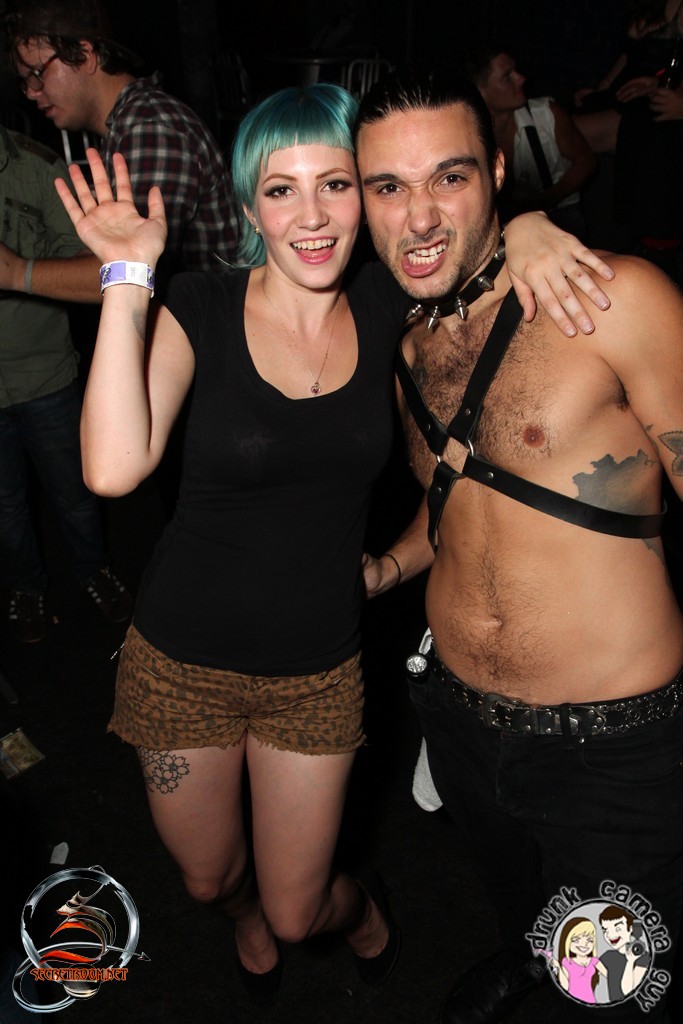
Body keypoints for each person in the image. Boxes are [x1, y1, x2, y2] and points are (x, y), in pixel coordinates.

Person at [52, 78, 616, 1006]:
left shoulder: (389, 306)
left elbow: (466, 253)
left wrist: (527, 226)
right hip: (179, 662)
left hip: (315, 669)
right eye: (281, 190)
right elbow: (113, 469)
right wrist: (125, 276)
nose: (311, 216)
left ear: (363, 195)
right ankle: (241, 918)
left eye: (336, 185)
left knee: (299, 909)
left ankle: (355, 915)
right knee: (210, 884)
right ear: (248, 209)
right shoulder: (197, 304)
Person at [356, 68, 683, 1024]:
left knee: (617, 988)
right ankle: (526, 959)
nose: (419, 216)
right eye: (388, 187)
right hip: (459, 720)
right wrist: (385, 567)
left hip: (611, 746)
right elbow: (456, 506)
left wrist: (534, 226)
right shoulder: (408, 349)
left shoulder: (612, 299)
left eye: (449, 177)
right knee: (520, 901)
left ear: (498, 172)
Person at [4, 0, 239, 292]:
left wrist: (17, 273)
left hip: (206, 319)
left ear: (84, 55)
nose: (30, 92)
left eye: (37, 74)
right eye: (25, 81)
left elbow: (134, 272)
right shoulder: (125, 128)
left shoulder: (150, 127)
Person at [0, 122, 131, 642]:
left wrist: (19, 270)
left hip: (47, 373)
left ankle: (93, 569)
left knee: (76, 493)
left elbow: (102, 273)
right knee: (5, 508)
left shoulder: (36, 168)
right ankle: (25, 587)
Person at [466, 49, 596, 234]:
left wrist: (548, 198)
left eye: (516, 71)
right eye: (507, 77)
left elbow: (586, 161)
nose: (521, 79)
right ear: (481, 92)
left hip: (560, 217)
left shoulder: (546, 114)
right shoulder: (468, 135)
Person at [599, 906, 651, 1002]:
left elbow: (628, 992)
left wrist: (630, 961)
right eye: (605, 930)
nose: (610, 935)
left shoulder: (643, 957)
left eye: (618, 928)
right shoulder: (608, 956)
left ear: (630, 929)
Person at [551, 917, 607, 1004]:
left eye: (590, 940)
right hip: (571, 1002)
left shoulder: (594, 961)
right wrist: (558, 967)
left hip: (590, 1001)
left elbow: (610, 976)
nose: (584, 944)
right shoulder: (566, 962)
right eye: (576, 940)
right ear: (567, 941)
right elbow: (565, 987)